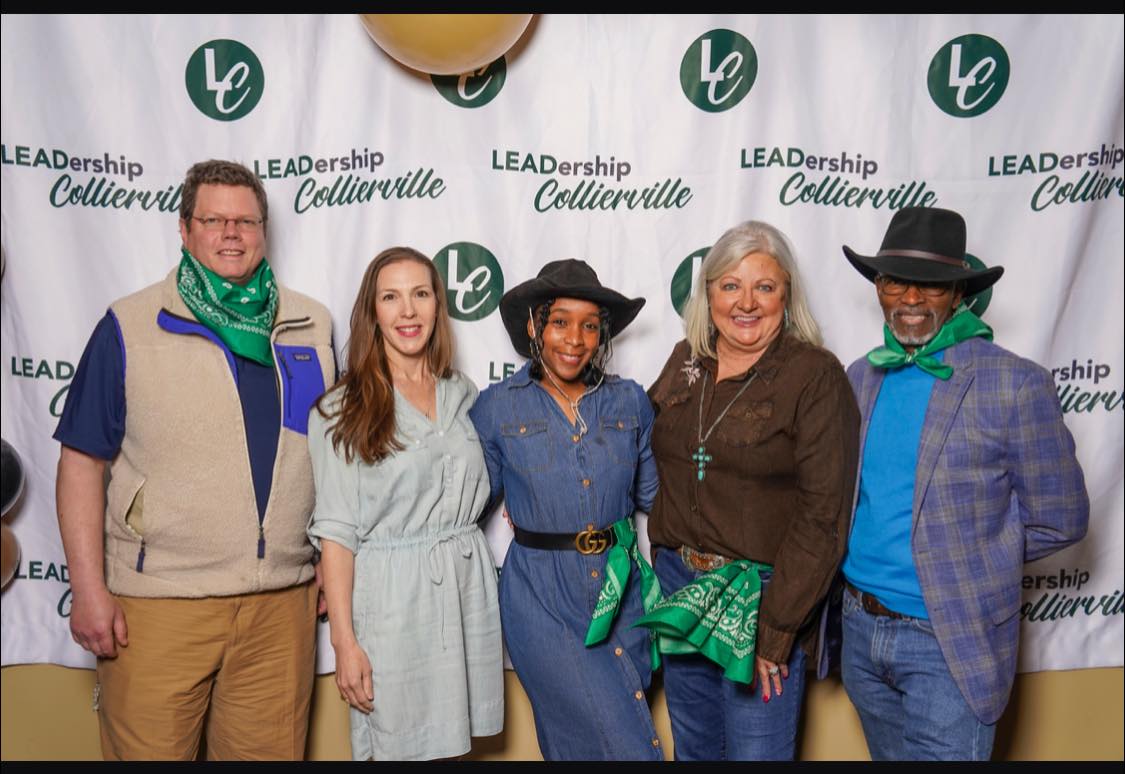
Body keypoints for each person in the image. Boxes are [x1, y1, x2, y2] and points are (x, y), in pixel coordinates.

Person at [53, 159, 335, 760]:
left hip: (280, 607)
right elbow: (81, 462)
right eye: (214, 219)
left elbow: (333, 461)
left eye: (246, 221)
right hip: (159, 607)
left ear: (263, 231)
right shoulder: (129, 325)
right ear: (185, 229)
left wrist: (328, 568)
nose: (232, 233)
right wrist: (86, 588)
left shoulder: (310, 325)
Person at [838, 206, 1090, 760]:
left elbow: (1062, 518)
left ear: (958, 295)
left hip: (947, 638)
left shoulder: (1015, 384)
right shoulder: (860, 376)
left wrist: (974, 556)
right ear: (878, 287)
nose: (909, 299)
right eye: (895, 281)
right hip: (859, 630)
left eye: (930, 286)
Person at [641, 220, 859, 760]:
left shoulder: (814, 376)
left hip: (760, 596)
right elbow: (638, 442)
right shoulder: (685, 360)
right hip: (680, 587)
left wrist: (778, 626)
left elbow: (824, 517)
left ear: (787, 295)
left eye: (764, 287)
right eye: (730, 285)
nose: (746, 302)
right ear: (709, 293)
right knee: (695, 749)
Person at [306, 247, 503, 761]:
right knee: (395, 747)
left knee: (453, 749)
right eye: (390, 297)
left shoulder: (463, 394)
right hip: (391, 604)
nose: (408, 311)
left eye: (420, 294)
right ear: (372, 313)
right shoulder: (340, 410)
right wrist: (345, 644)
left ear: (438, 305)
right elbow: (336, 534)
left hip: (462, 596)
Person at [468, 259, 664, 760]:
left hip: (623, 593)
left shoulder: (630, 402)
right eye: (560, 321)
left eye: (590, 325)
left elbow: (657, 499)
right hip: (542, 598)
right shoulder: (496, 408)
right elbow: (465, 505)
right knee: (621, 744)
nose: (575, 338)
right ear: (534, 325)